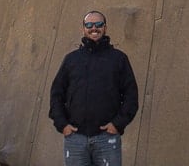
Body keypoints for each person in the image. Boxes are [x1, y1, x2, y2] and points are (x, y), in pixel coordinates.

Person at [49, 11, 139, 166]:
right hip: (75, 139)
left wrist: (117, 124)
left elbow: (131, 95)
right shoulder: (71, 59)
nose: (94, 28)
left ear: (105, 27)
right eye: (89, 25)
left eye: (98, 24)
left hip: (107, 139)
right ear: (83, 29)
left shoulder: (119, 59)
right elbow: (57, 94)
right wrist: (63, 125)